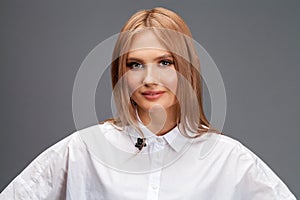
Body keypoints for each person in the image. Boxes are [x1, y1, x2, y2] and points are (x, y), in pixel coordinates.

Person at [0, 7, 296, 200]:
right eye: (135, 65)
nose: (150, 78)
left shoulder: (229, 159)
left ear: (186, 69)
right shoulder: (83, 150)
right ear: (121, 74)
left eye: (165, 62)